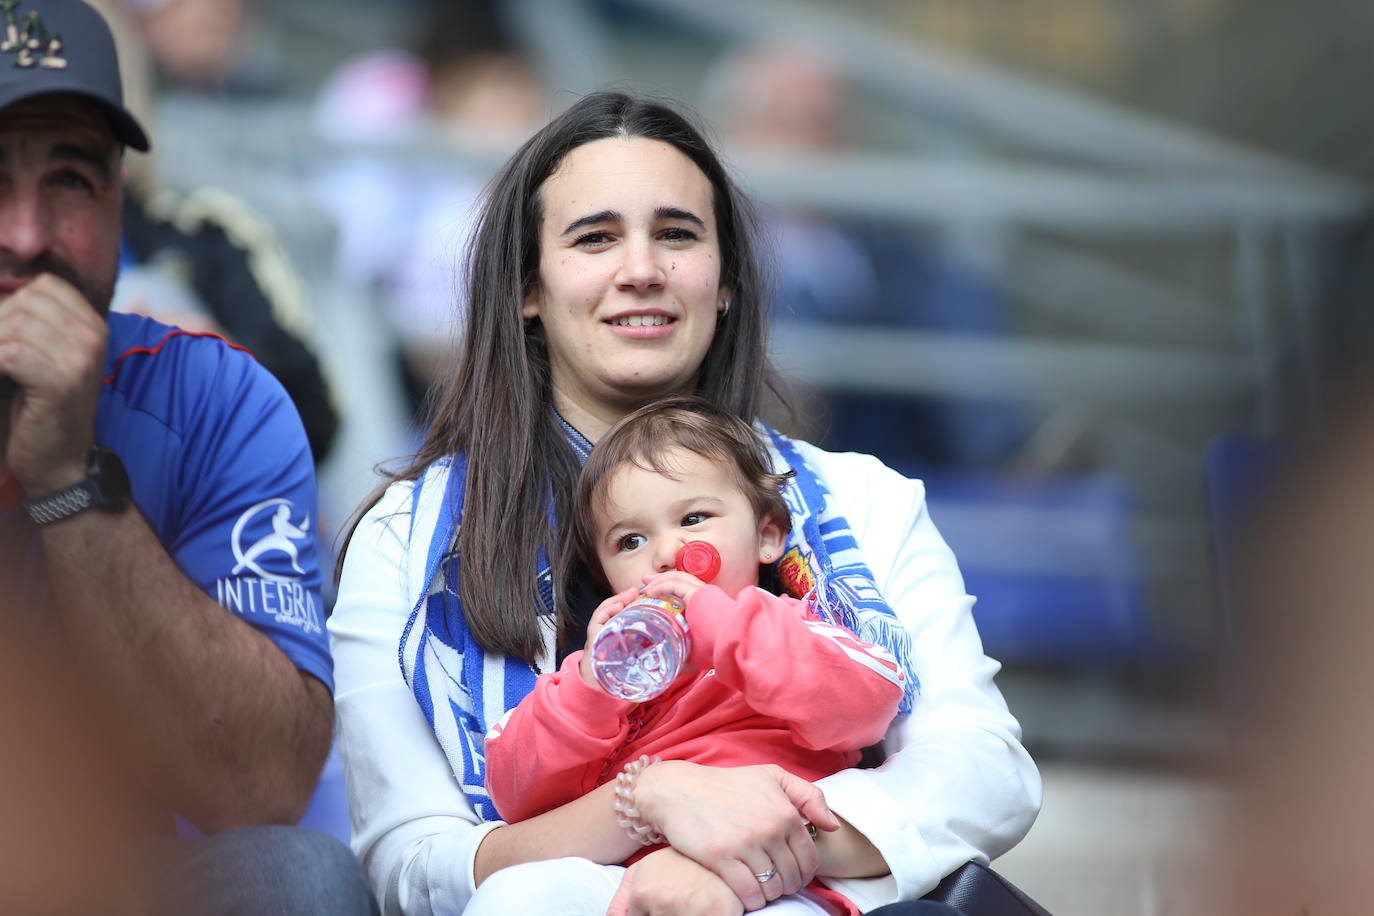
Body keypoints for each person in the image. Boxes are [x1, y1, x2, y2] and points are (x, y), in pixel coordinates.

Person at [330, 90, 1040, 915]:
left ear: (726, 279)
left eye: (677, 234)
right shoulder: (403, 539)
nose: (642, 269)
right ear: (528, 287)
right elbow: (413, 859)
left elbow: (985, 770)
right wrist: (651, 803)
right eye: (594, 237)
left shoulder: (863, 498)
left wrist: (743, 853)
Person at [0, 1, 373, 912]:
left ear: (121, 201)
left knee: (301, 882)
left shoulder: (214, 400)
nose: (26, 236)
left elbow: (263, 786)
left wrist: (69, 482)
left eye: (71, 180)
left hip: (112, 885)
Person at [472, 396, 906, 915]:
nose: (664, 551)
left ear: (767, 535)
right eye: (630, 540)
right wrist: (592, 685)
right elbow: (514, 793)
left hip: (775, 879)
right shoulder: (598, 677)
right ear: (605, 575)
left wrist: (722, 628)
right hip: (620, 883)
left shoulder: (796, 626)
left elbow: (869, 705)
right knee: (517, 896)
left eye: (694, 518)